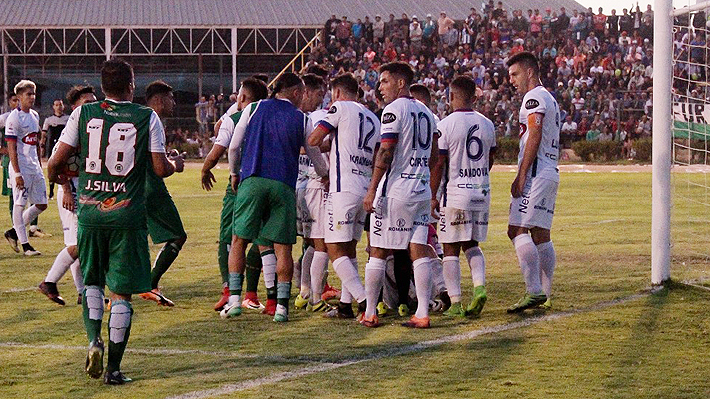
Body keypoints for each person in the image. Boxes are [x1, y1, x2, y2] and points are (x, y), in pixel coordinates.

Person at [48, 59, 183, 384]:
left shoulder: (83, 113)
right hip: (128, 214)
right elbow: (160, 168)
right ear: (131, 85)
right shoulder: (146, 116)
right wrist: (176, 166)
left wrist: (61, 182)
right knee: (121, 294)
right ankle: (114, 369)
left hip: (92, 212)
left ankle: (94, 340)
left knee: (93, 282)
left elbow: (55, 161)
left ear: (104, 86)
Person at [222, 73, 327, 322]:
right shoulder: (302, 119)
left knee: (239, 240)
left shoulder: (255, 108)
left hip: (253, 180)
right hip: (283, 185)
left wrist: (234, 173)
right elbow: (314, 154)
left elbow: (235, 146)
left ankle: (235, 300)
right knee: (283, 249)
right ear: (295, 93)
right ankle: (281, 308)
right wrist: (325, 175)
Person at [362, 62, 438, 329]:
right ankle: (422, 312)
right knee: (419, 250)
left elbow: (385, 152)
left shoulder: (393, 110)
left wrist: (372, 189)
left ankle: (370, 312)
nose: (379, 87)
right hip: (421, 190)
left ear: (400, 83)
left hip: (396, 191)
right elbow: (433, 155)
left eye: (384, 81)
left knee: (378, 251)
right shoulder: (428, 113)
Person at [308, 73, 380, 319]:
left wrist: (309, 140)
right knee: (349, 249)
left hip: (342, 188)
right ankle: (345, 306)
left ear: (337, 93)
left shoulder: (339, 107)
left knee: (333, 247)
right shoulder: (372, 116)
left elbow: (315, 139)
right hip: (364, 189)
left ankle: (363, 300)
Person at [429, 76, 496, 318]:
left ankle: (455, 302)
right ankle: (479, 288)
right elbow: (490, 159)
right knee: (472, 245)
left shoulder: (445, 125)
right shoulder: (487, 124)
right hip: (481, 192)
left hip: (456, 193)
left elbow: (438, 163)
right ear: (474, 97)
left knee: (449, 249)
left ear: (451, 97)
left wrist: (433, 195)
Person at [202, 77, 269, 312]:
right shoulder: (271, 118)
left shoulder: (235, 117)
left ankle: (231, 292)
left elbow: (221, 148)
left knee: (231, 238)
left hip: (240, 184)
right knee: (265, 239)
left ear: (242, 98)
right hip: (267, 182)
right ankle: (261, 296)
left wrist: (206, 168)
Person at [506, 52, 559, 312]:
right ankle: (545, 294)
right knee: (540, 235)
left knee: (516, 230)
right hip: (550, 171)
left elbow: (534, 133)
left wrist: (522, 173)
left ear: (529, 72)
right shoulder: (549, 97)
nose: (511, 81)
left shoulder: (534, 97)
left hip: (536, 172)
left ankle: (533, 291)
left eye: (515, 74)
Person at [38, 85, 97, 306]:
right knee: (79, 244)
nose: (92, 106)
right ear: (75, 108)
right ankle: (50, 282)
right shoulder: (73, 129)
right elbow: (54, 164)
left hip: (83, 188)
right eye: (86, 103)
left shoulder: (90, 128)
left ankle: (82, 292)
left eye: (94, 101)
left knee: (77, 244)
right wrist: (65, 190)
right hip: (71, 190)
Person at [137, 80, 188, 307]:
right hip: (151, 186)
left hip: (134, 186)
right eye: (170, 98)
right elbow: (160, 168)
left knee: (133, 239)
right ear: (158, 100)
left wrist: (167, 155)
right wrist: (175, 164)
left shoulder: (139, 117)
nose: (174, 102)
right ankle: (150, 284)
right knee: (178, 235)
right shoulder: (153, 119)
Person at [293, 74, 331, 312]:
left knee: (311, 243)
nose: (321, 98)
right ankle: (315, 296)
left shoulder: (299, 118)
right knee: (323, 244)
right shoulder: (320, 118)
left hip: (299, 185)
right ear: (306, 92)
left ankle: (305, 290)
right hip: (316, 185)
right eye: (319, 93)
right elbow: (316, 145)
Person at [4, 80, 46, 256]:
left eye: (33, 94)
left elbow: (34, 142)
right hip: (20, 168)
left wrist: (39, 163)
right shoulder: (14, 118)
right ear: (19, 97)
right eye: (28, 94)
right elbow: (11, 148)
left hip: (34, 167)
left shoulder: (35, 115)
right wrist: (17, 172)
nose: (32, 97)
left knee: (42, 204)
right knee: (19, 205)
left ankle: (13, 232)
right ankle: (26, 246)